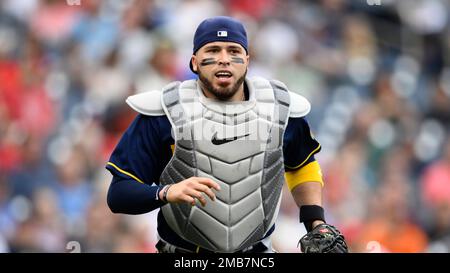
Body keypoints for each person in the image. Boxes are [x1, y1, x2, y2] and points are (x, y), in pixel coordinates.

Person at [105, 16, 348, 253]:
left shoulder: (279, 109)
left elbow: (302, 165)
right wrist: (165, 192)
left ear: (247, 60)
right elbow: (119, 194)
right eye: (212, 50)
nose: (224, 59)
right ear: (194, 62)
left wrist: (315, 223)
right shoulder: (164, 113)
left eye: (233, 51)